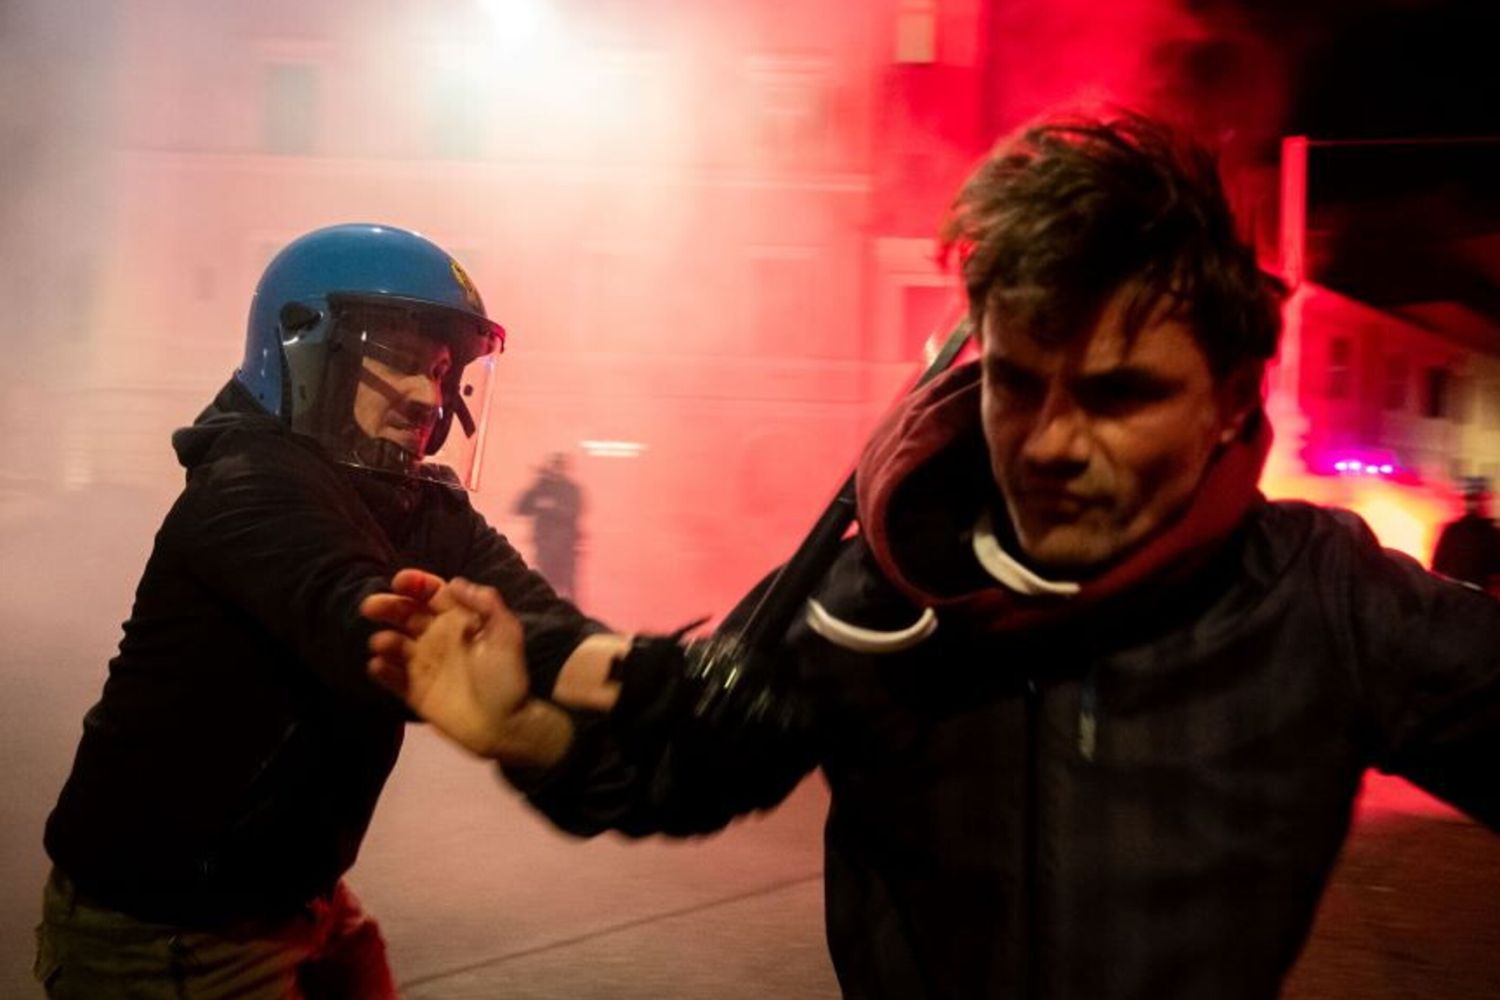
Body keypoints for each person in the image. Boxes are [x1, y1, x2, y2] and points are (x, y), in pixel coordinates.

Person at [362, 115, 1500, 1000]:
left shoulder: (1323, 600)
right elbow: (690, 762)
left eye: (1120, 396)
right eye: (1018, 383)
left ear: (1232, 401)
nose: (1050, 444)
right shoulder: (876, 592)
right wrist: (522, 728)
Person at [36, 223, 622, 999]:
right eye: (398, 360)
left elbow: (546, 626)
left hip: (292, 893)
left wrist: (678, 677)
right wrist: (516, 711)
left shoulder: (413, 501)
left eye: (440, 371)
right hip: (166, 928)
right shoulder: (247, 486)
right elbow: (357, 619)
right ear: (307, 350)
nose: (429, 396)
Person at [514, 452, 583, 598]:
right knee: (545, 585)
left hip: (566, 547)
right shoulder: (542, 487)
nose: (557, 470)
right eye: (554, 466)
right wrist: (536, 485)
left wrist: (550, 506)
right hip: (544, 546)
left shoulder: (572, 489)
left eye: (560, 466)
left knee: (567, 588)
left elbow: (572, 512)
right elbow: (520, 508)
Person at [1431, 476, 1500, 592]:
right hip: (1474, 594)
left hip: (1456, 593)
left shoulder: (1452, 530)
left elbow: (1437, 566)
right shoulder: (1491, 533)